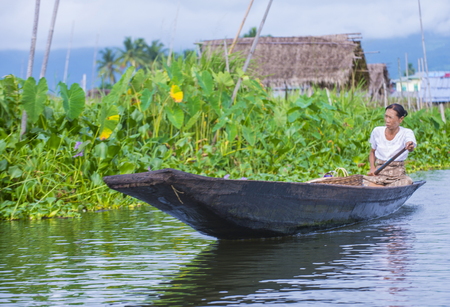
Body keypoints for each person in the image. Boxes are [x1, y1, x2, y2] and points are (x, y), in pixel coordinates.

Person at [363, 104, 416, 187]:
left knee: (407, 181)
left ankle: (380, 189)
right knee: (361, 181)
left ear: (401, 119)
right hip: (379, 176)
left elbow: (410, 145)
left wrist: (410, 146)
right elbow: (372, 152)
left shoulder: (407, 132)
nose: (387, 120)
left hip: (397, 177)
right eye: (386, 116)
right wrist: (372, 168)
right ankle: (383, 189)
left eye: (390, 117)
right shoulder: (377, 131)